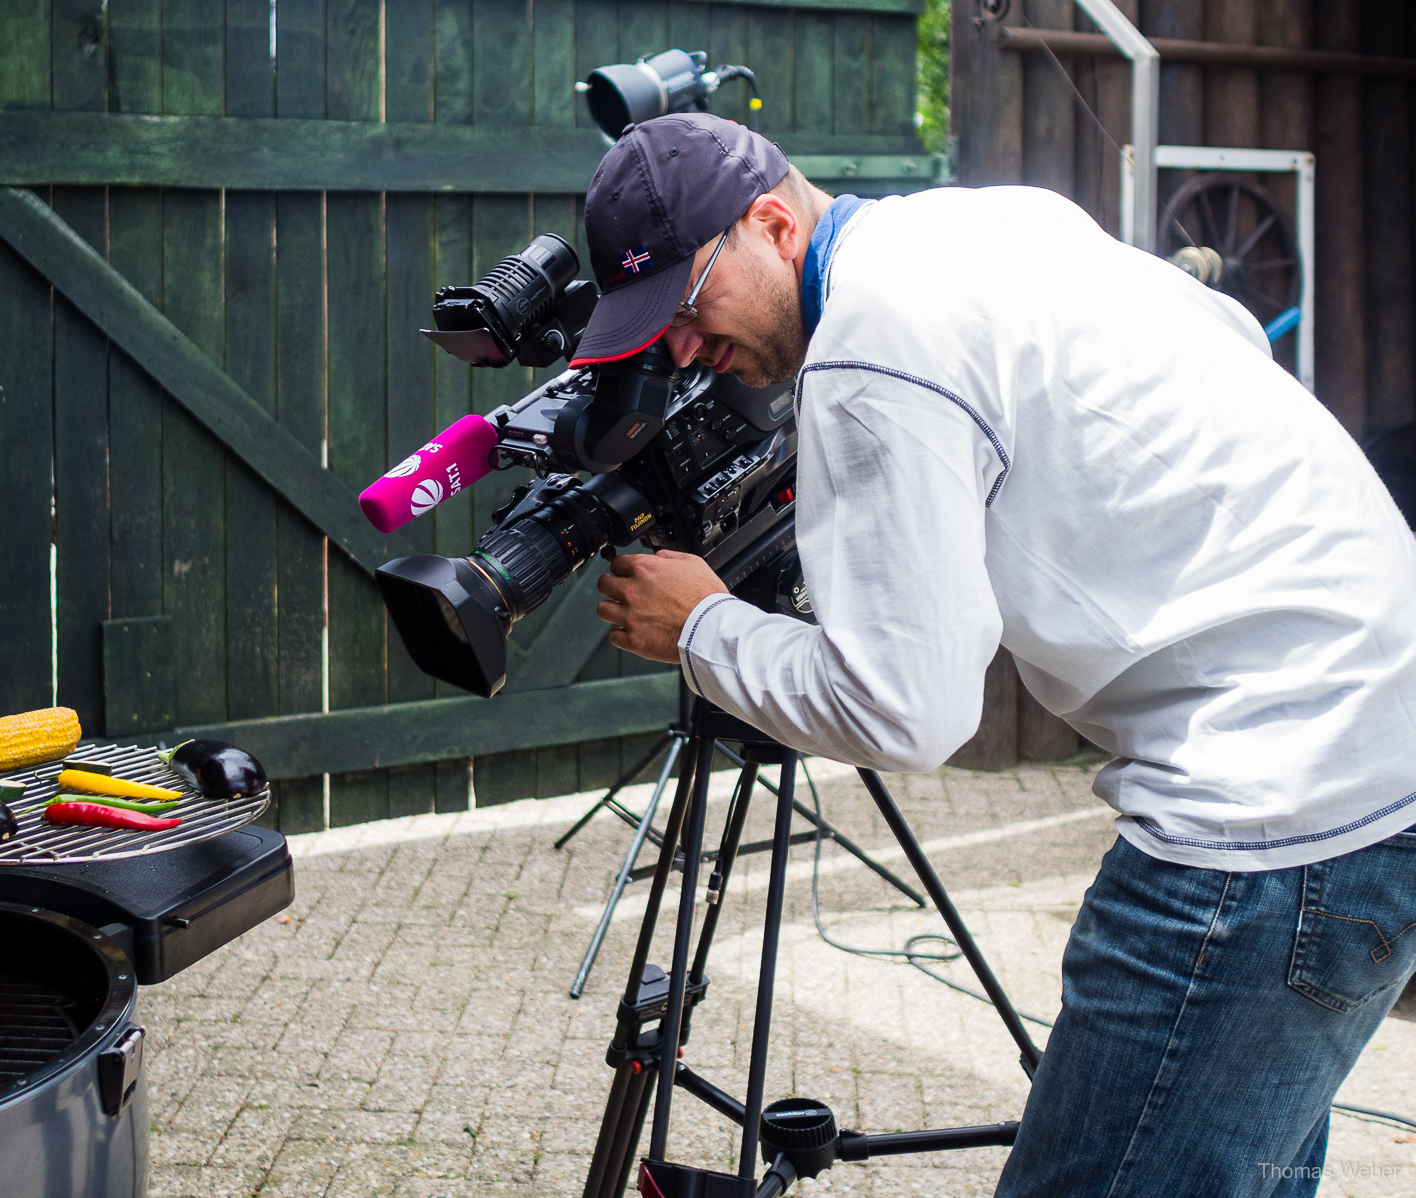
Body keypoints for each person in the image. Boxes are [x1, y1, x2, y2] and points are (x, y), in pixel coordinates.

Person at [580, 112, 1416, 1197]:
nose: (681, 349)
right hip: (1376, 746)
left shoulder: (872, 349)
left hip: (1268, 820)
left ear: (771, 223)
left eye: (685, 306)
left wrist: (701, 628)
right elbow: (1228, 334)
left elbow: (907, 712)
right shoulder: (988, 222)